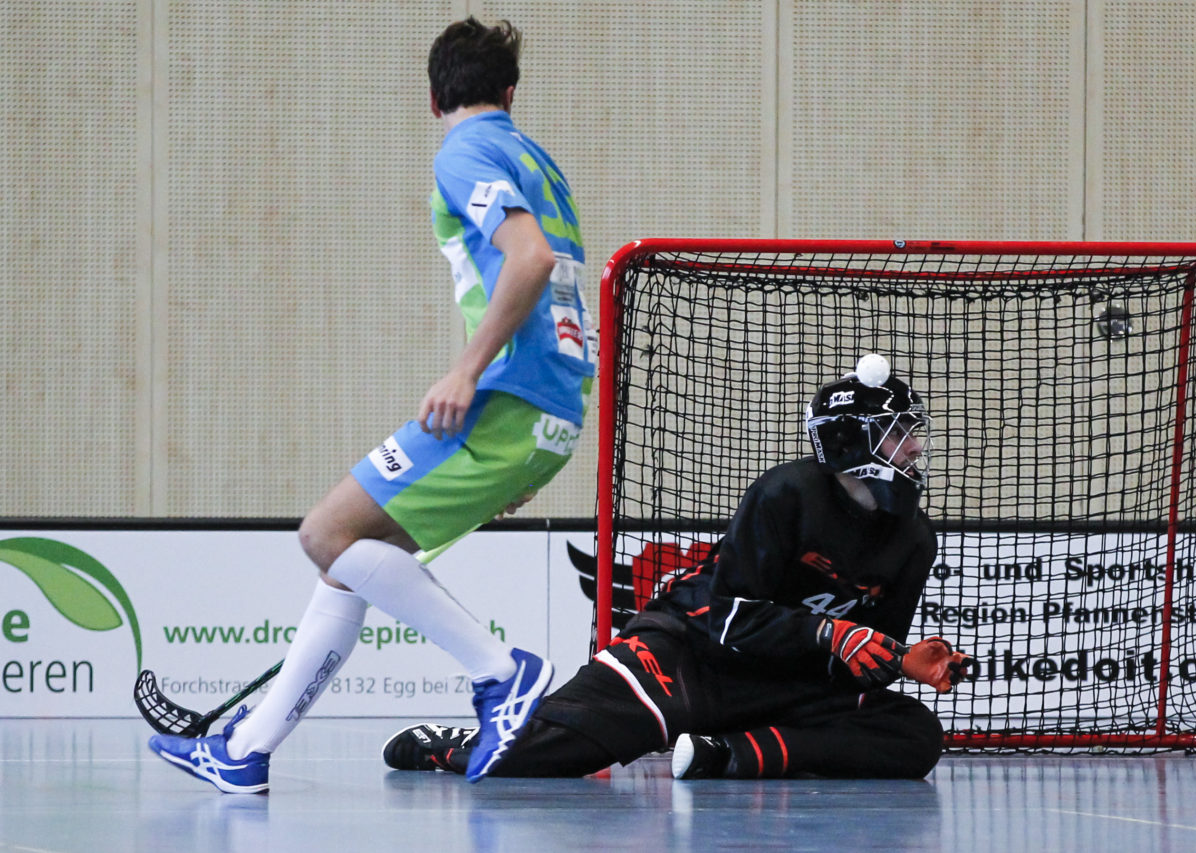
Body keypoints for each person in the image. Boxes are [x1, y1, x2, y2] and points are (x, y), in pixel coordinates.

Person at [149, 17, 594, 792]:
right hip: (549, 407)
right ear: (510, 92)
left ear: (432, 99)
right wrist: (536, 444)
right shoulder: (538, 162)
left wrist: (464, 371)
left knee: (325, 533)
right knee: (348, 562)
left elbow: (530, 261)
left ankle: (501, 672)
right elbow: (562, 285)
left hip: (508, 399)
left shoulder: (464, 151)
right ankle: (245, 749)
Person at [382, 355, 971, 781]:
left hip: (789, 688)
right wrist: (830, 632)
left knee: (914, 736)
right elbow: (731, 618)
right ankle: (458, 743)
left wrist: (903, 662)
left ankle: (727, 754)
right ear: (851, 440)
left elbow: (866, 654)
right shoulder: (786, 495)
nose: (915, 447)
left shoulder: (915, 539)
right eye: (899, 432)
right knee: (535, 758)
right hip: (689, 655)